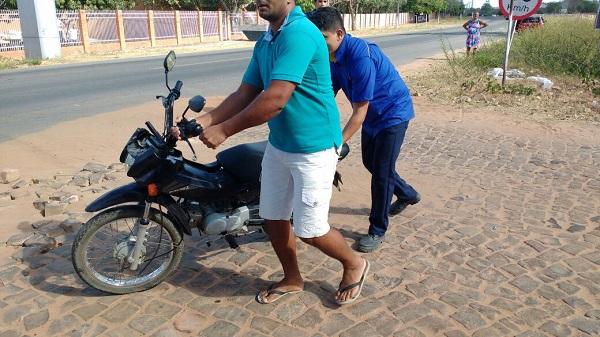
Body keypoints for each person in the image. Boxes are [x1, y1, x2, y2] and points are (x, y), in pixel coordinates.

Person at [173, 0, 368, 305]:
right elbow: (245, 93)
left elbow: (275, 99)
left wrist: (224, 130)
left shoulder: (300, 34)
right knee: (273, 217)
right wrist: (200, 123)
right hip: (281, 143)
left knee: (311, 229)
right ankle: (292, 279)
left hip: (314, 147)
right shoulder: (268, 38)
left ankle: (354, 263)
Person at [307, 7, 420, 253]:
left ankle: (377, 229)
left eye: (323, 38)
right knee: (373, 163)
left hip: (392, 114)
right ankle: (408, 194)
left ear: (339, 33)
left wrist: (336, 145)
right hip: (371, 117)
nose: (318, 43)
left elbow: (359, 112)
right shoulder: (331, 57)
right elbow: (326, 93)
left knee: (381, 173)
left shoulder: (361, 57)